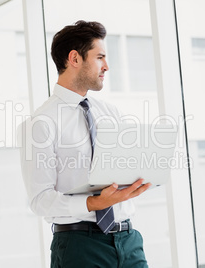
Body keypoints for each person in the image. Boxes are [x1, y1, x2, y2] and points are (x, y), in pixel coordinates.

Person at [18, 20, 151, 268]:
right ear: (74, 59)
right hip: (80, 246)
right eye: (99, 57)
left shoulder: (111, 113)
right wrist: (94, 203)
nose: (107, 66)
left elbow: (121, 171)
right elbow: (40, 200)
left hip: (128, 240)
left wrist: (138, 180)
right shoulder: (40, 124)